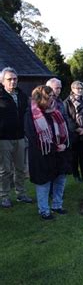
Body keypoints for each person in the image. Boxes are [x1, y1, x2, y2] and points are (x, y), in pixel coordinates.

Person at [25, 85, 71, 220]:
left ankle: (57, 205)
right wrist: (53, 147)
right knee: (44, 183)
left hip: (58, 154)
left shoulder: (55, 112)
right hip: (42, 155)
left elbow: (65, 129)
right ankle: (44, 210)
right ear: (41, 98)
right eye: (49, 96)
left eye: (53, 96)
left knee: (60, 179)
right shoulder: (31, 114)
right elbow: (32, 136)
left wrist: (64, 144)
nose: (53, 98)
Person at [0, 67, 33, 208]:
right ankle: (4, 196)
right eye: (9, 79)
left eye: (15, 79)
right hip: (3, 139)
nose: (13, 81)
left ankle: (21, 193)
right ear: (2, 81)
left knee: (20, 168)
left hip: (20, 137)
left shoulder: (22, 95)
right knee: (5, 170)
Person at [64, 80, 83, 182]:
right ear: (72, 89)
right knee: (74, 156)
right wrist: (76, 128)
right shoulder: (67, 102)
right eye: (78, 88)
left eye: (81, 88)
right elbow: (67, 117)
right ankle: (76, 175)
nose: (80, 90)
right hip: (74, 134)